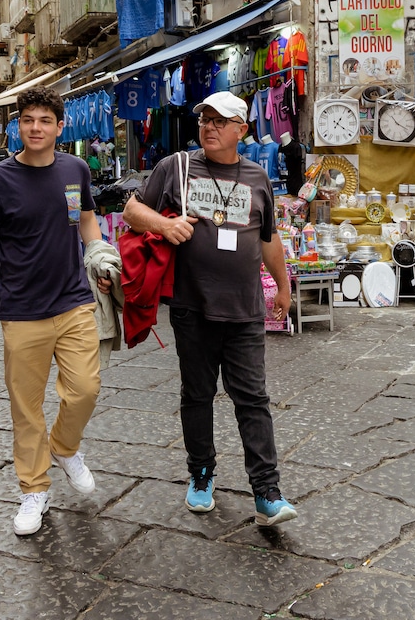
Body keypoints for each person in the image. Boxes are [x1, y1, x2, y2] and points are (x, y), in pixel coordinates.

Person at [122, 91, 298, 527]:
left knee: (253, 399)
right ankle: (201, 475)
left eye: (220, 121)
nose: (210, 128)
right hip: (192, 306)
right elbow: (131, 210)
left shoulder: (257, 177)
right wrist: (165, 224)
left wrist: (283, 286)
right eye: (205, 120)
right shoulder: (176, 167)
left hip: (244, 309)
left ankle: (267, 491)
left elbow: (268, 237)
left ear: (242, 130)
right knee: (197, 395)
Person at [0, 85, 110, 537]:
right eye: (28, 120)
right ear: (18, 127)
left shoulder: (75, 170)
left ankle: (63, 446)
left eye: (45, 120)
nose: (36, 128)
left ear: (60, 127)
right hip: (22, 310)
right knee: (26, 408)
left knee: (85, 389)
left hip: (74, 300)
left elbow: (85, 221)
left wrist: (100, 257)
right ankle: (34, 488)